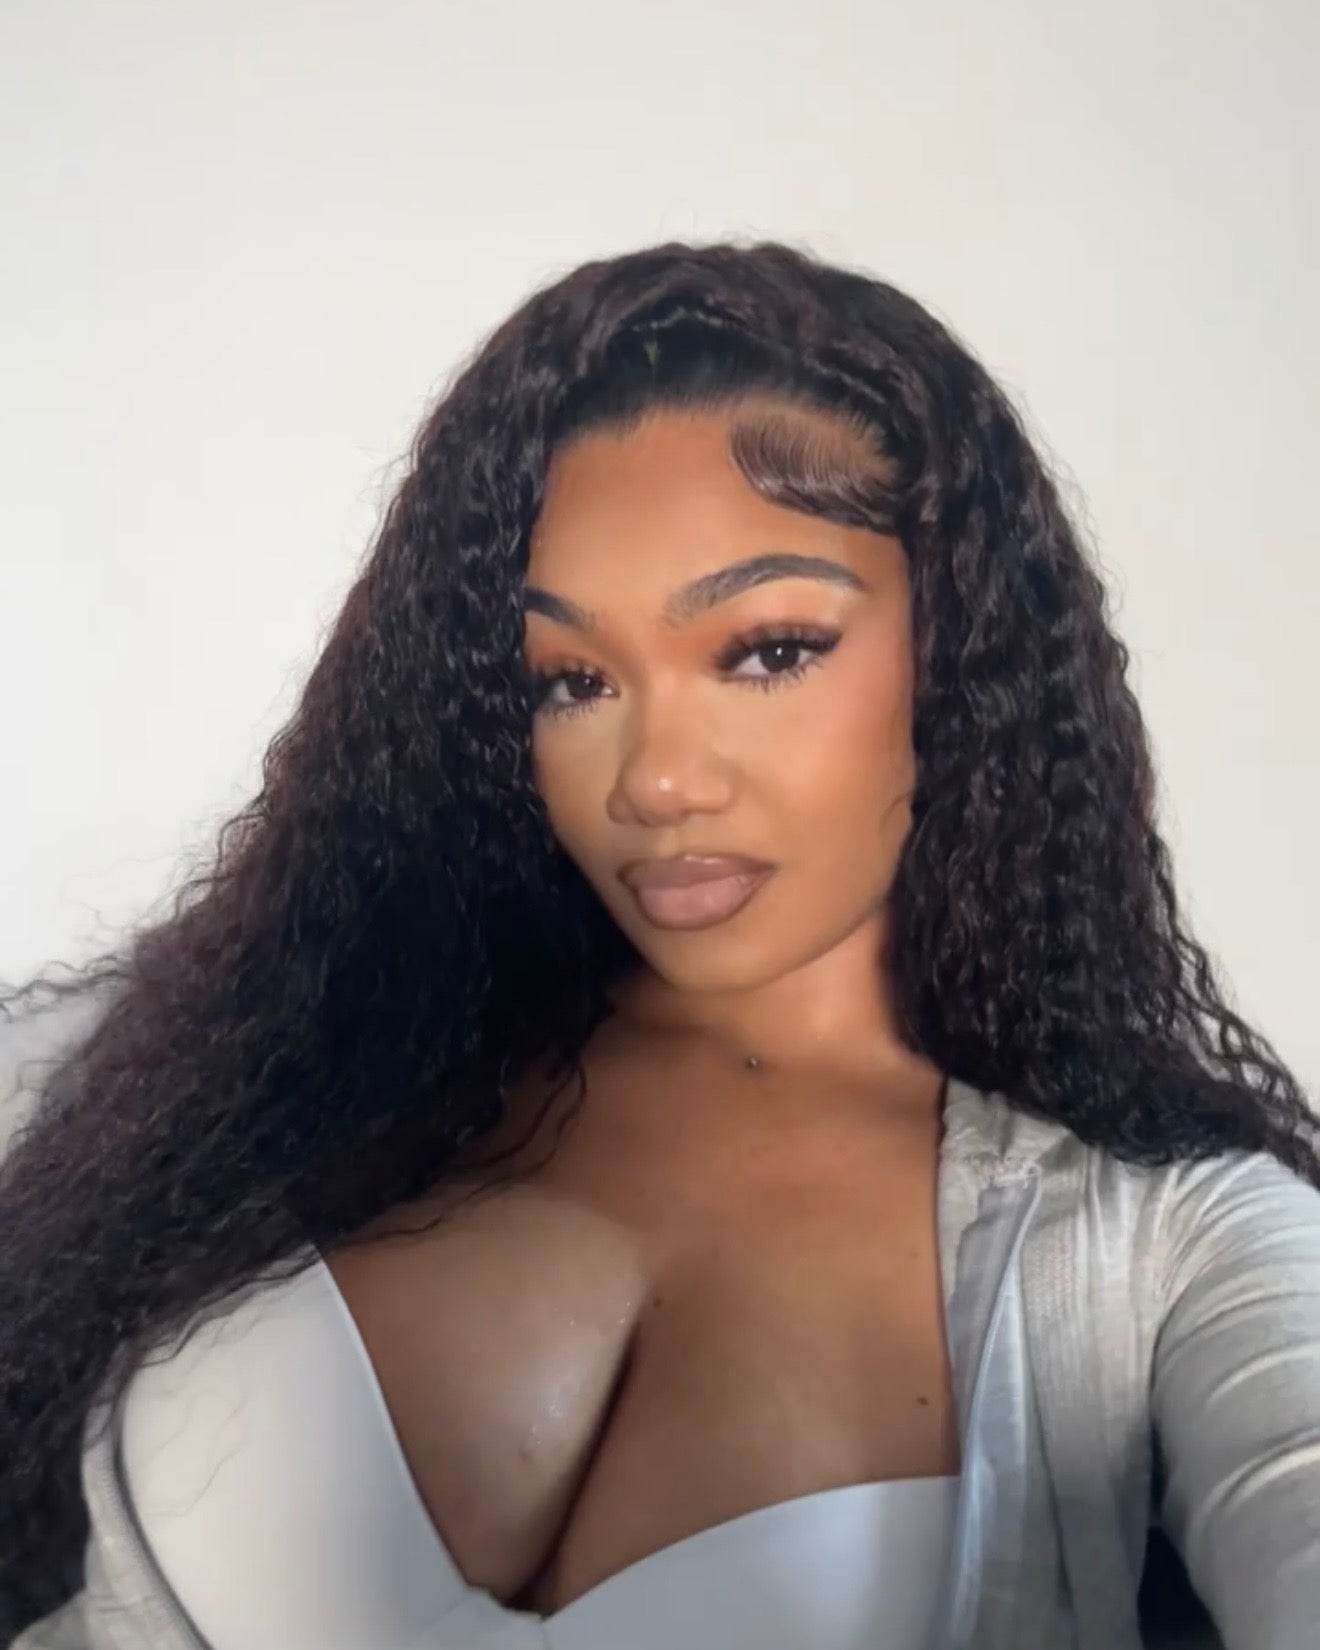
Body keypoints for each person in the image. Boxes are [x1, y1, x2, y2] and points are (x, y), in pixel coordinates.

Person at [2, 239, 1318, 1650]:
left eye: (766, 650)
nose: (656, 779)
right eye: (572, 679)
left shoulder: (1170, 1254)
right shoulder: (252, 1076)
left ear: (963, 649)